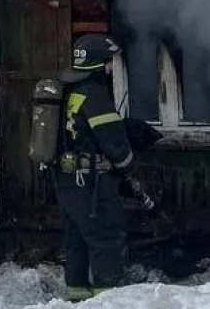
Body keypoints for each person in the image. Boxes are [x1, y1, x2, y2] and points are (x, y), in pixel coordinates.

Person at [55, 33, 155, 302]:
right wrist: (130, 170)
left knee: (77, 238)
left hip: (67, 179)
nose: (111, 68)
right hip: (91, 183)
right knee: (106, 238)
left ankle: (77, 296)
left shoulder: (69, 91)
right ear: (99, 64)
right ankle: (106, 300)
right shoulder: (95, 95)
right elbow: (114, 142)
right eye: (109, 62)